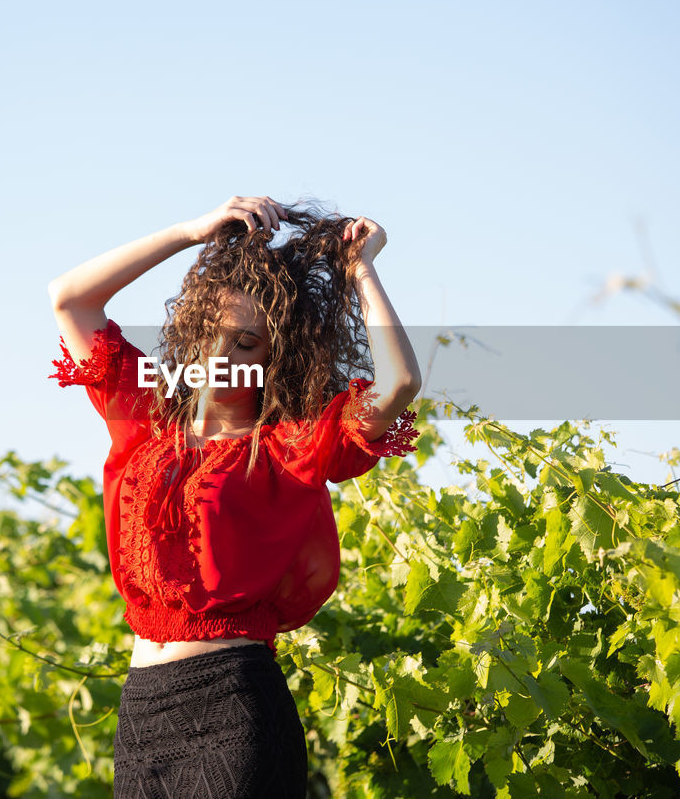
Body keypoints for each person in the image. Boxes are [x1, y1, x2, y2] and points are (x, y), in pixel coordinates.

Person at [47, 195, 421, 798]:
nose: (222, 359)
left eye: (247, 343)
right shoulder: (146, 416)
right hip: (141, 713)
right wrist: (189, 231)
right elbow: (70, 296)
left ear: (276, 355)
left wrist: (361, 271)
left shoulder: (287, 446)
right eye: (211, 336)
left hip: (233, 707)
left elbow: (399, 383)